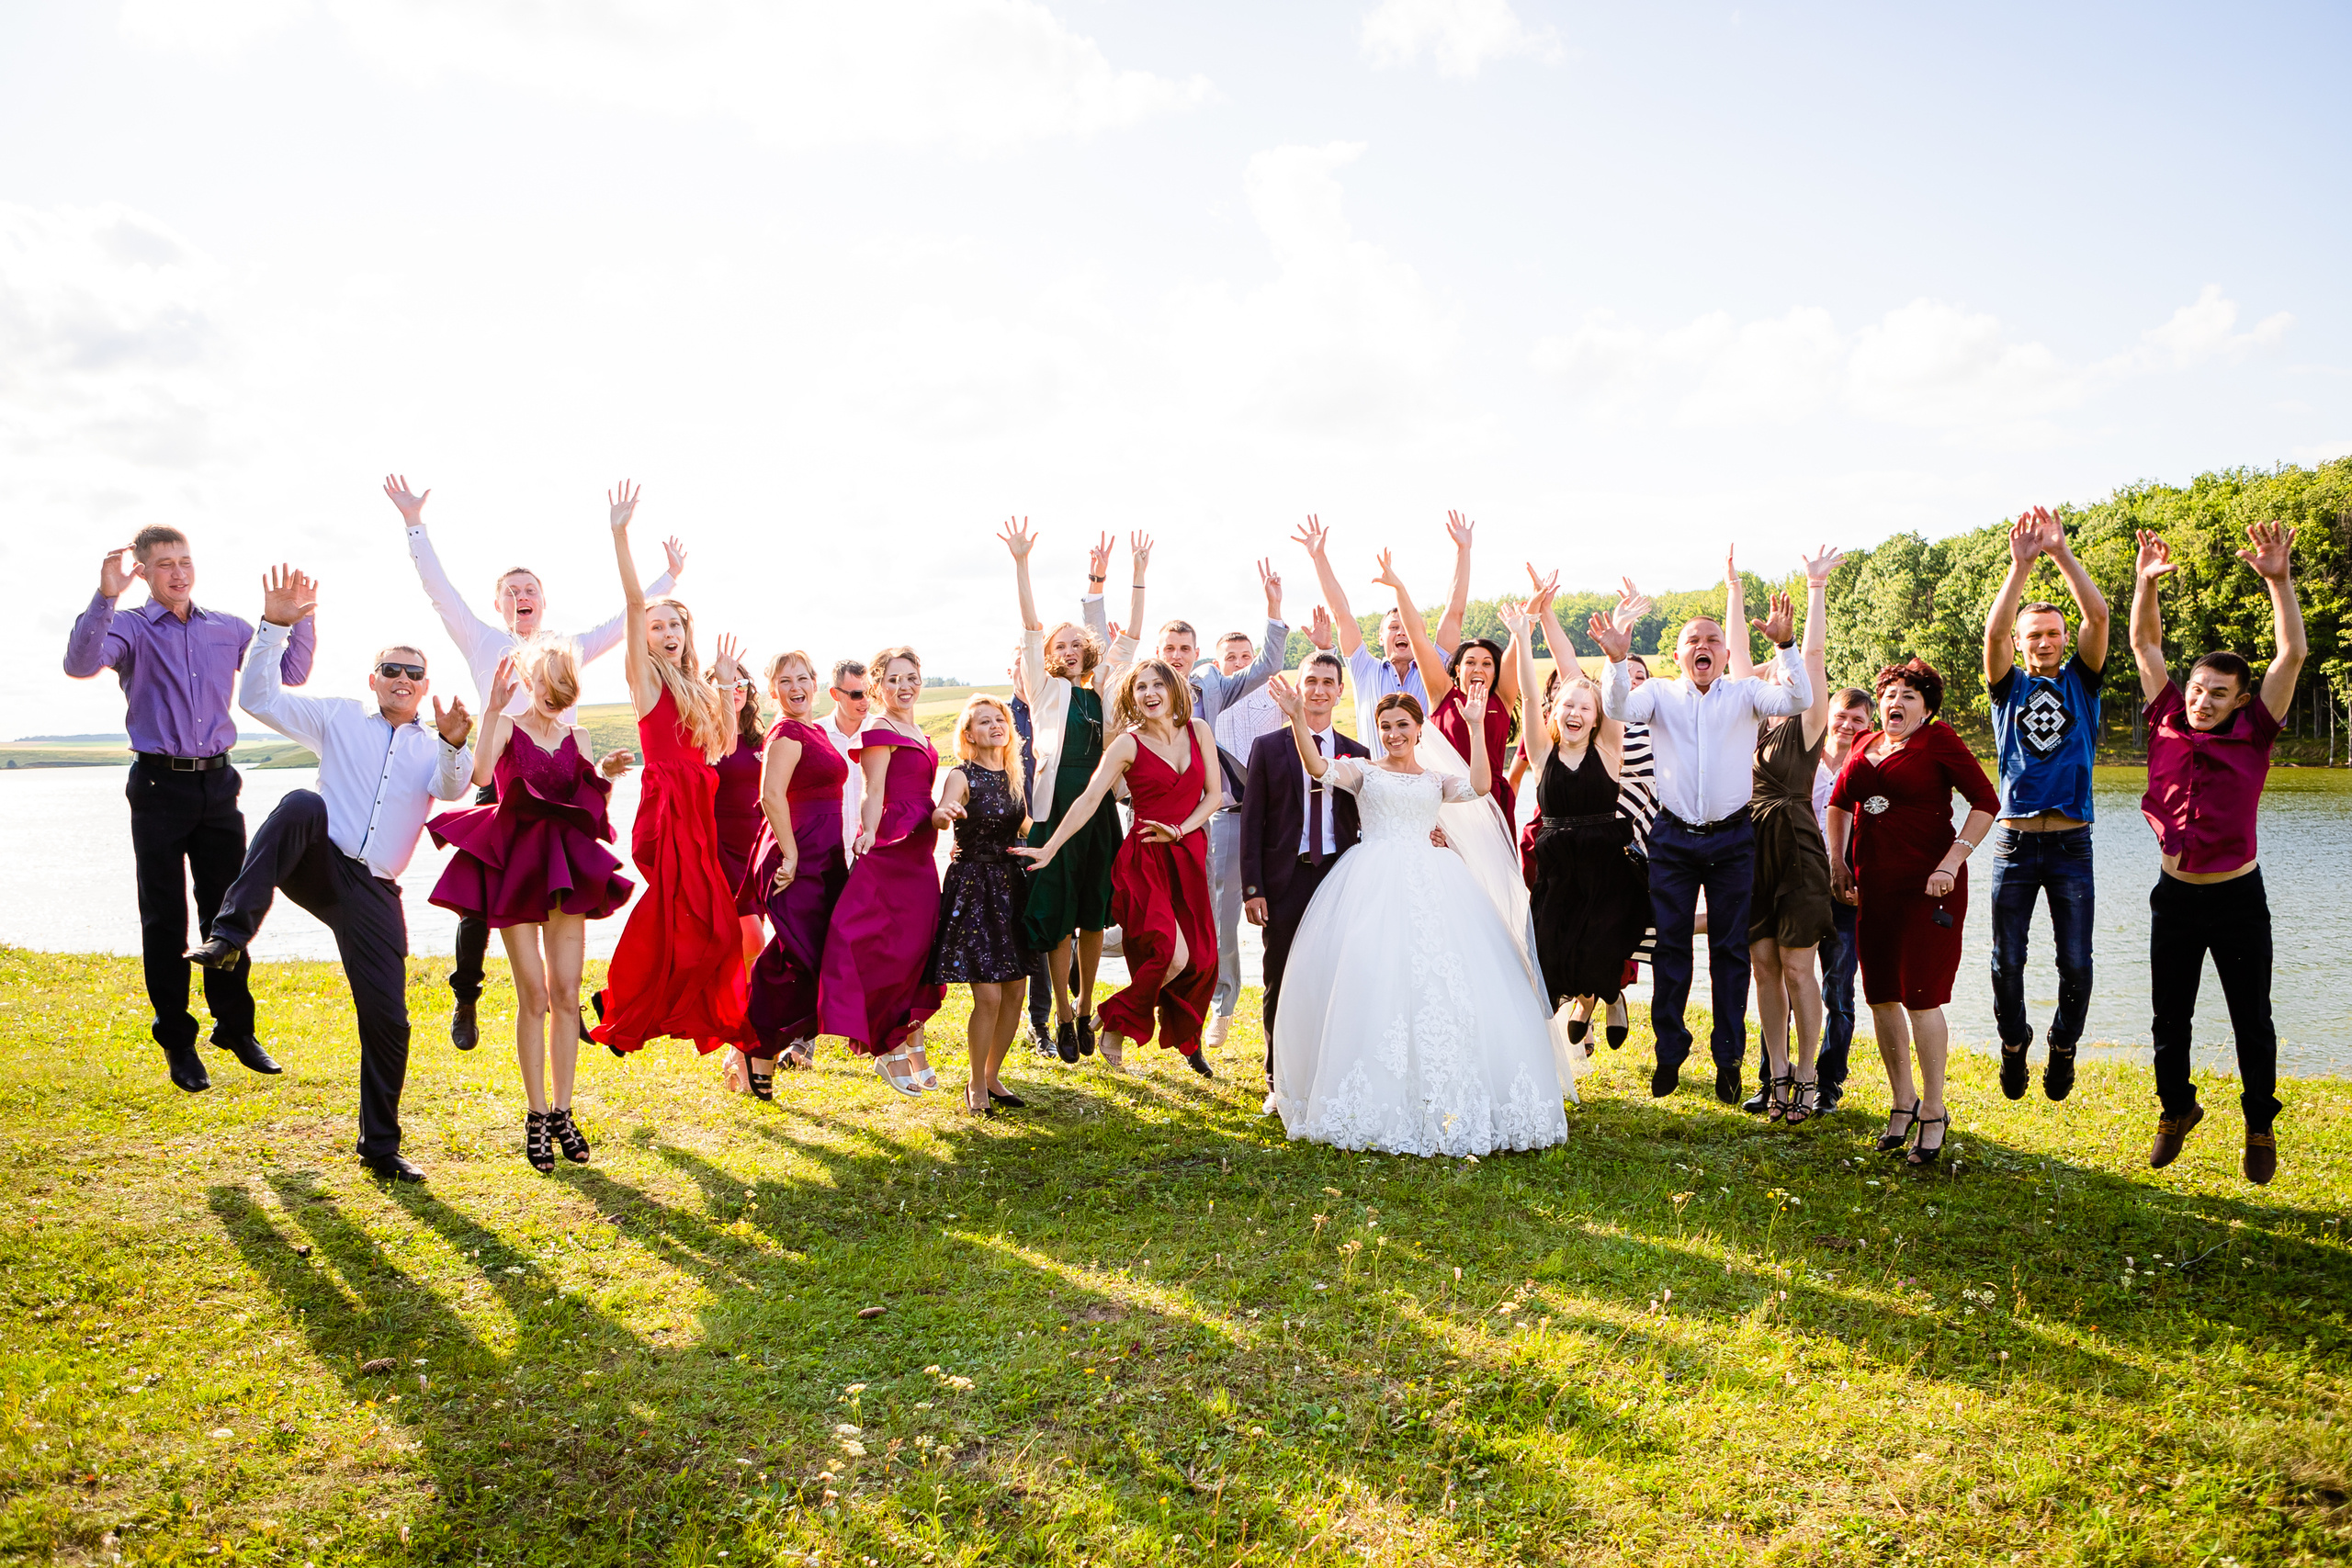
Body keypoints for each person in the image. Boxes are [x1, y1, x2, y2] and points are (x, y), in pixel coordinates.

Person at [185, 569, 472, 1182]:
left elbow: (452, 787)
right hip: (318, 860)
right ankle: (229, 937)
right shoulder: (340, 716)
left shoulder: (436, 743)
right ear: (373, 680)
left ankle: (380, 1146)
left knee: (390, 1020)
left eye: (413, 672)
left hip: (372, 890)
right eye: (391, 669)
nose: (401, 678)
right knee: (300, 803)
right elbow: (259, 699)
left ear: (425, 687)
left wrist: (453, 743)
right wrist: (276, 627)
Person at [382, 475, 683, 1052]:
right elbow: (438, 589)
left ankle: (565, 1005)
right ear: (499, 603)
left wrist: (668, 578)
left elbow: (624, 623)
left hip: (562, 790)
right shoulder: (480, 640)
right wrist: (413, 524)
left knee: (567, 895)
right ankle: (466, 995)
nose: (522, 596)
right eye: (512, 590)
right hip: (499, 782)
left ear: (543, 601)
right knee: (477, 902)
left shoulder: (566, 648)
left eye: (531, 589)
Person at [1263, 682, 1574, 1156]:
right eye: (1385, 727)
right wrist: (1296, 718)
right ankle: (1382, 1095)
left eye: (1401, 726)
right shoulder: (1364, 771)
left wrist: (1473, 727)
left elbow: (1481, 786)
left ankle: (1450, 1094)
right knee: (1378, 978)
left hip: (1436, 881)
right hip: (1374, 881)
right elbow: (1318, 767)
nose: (1392, 735)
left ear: (1418, 729)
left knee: (1445, 981)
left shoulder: (1434, 780)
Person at [64, 529, 316, 1093]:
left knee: (227, 911)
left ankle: (234, 1026)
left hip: (218, 783)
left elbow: (288, 675)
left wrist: (295, 621)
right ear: (144, 573)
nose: (178, 573)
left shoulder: (226, 628)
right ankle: (178, 1042)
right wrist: (104, 598)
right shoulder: (126, 625)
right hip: (157, 785)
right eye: (164, 565)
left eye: (184, 561)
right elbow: (80, 664)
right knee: (164, 917)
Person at [2130, 523, 2305, 1185]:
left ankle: (2259, 1122)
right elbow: (2146, 642)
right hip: (2174, 895)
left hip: (2236, 897)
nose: (2203, 699)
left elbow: (2289, 656)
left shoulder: (2255, 733)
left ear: (2238, 701)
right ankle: (2177, 1109)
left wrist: (2277, 581)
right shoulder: (2166, 715)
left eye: (2218, 693)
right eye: (2199, 686)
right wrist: (2146, 582)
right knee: (2168, 1017)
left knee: (2250, 1019)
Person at [1597, 579, 1812, 1100]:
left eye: (1714, 641)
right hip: (1671, 836)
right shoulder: (1659, 694)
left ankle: (1729, 1059)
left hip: (1733, 837)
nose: (1704, 647)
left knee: (1730, 953)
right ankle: (1670, 1055)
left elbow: (1799, 697)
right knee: (1671, 949)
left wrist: (1786, 647)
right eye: (1694, 640)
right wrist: (1617, 661)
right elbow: (1618, 707)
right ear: (1678, 653)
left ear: (1727, 653)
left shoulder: (1746, 694)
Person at [425, 641, 632, 1170]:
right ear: (528, 678)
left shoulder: (577, 736)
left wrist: (604, 776)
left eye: (560, 688)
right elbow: (476, 779)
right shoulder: (507, 726)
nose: (550, 696)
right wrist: (493, 707)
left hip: (564, 868)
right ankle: (536, 1116)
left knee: (566, 994)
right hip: (516, 866)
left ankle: (564, 1112)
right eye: (543, 683)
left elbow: (587, 807)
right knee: (534, 996)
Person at [586, 482, 753, 1057]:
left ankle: (632, 1004)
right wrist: (619, 533)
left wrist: (728, 683)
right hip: (667, 804)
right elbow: (634, 606)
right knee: (687, 914)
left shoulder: (699, 687)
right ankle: (625, 1003)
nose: (666, 634)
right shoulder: (647, 678)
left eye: (674, 627)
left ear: (688, 634)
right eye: (658, 627)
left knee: (712, 925)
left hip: (698, 803)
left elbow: (722, 749)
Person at [1825, 658, 1999, 1168]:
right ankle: (1902, 1102)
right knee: (1880, 998)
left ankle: (1935, 1109)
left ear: (1926, 708)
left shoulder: (1938, 741)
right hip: (1872, 890)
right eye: (1890, 693)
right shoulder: (1863, 745)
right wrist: (1838, 862)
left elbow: (1985, 802)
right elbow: (1838, 804)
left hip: (1930, 890)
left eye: (1909, 696)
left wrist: (1952, 862)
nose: (1895, 702)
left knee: (1921, 998)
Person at [1015, 660, 1221, 1073]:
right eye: (1140, 687)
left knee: (1203, 960)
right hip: (1144, 860)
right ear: (1132, 697)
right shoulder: (1127, 744)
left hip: (1188, 854)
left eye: (1157, 685)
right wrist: (1052, 846)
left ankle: (1105, 1017)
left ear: (1174, 688)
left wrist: (1180, 831)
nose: (1149, 694)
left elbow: (1213, 796)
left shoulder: (1199, 731)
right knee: (1172, 956)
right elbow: (1090, 799)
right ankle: (1113, 1019)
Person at [1982, 505, 2111, 1103]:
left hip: (2069, 845)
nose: (2044, 641)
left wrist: (2059, 554)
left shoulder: (2081, 681)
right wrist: (2019, 566)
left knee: (2077, 964)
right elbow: (1992, 633)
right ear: (2021, 642)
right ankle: (2014, 1043)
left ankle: (2063, 1046)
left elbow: (2099, 614)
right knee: (2006, 964)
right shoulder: (2007, 685)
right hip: (2012, 844)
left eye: (2053, 633)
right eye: (2033, 634)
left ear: (2064, 640)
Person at [1005, 520, 1144, 1063]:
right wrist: (1022, 562)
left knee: (1092, 913)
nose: (1063, 648)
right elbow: (1031, 624)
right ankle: (1062, 1013)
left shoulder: (1105, 687)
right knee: (1059, 918)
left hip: (1099, 812)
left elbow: (1131, 635)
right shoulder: (1043, 690)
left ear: (1086, 649)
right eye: (1056, 645)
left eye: (1072, 643)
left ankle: (1086, 1009)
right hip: (1052, 811)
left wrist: (1137, 574)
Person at [1725, 547, 1846, 1122]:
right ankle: (1773, 1074)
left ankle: (1805, 1076)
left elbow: (1813, 657)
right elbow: (1737, 660)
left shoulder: (1809, 721)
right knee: (1764, 967)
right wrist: (1733, 590)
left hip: (1796, 847)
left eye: (1783, 673)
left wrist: (1814, 588)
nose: (1772, 677)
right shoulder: (1743, 720)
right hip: (1748, 848)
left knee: (1800, 968)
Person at [1505, 601, 1649, 1069]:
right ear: (1556, 711)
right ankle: (1552, 1037)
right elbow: (1528, 694)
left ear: (1595, 718)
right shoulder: (1543, 753)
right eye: (1568, 704)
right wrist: (1523, 637)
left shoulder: (1608, 749)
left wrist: (1617, 653)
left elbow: (1617, 698)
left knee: (1600, 947)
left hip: (1604, 866)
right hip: (1557, 869)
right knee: (1551, 955)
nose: (1575, 712)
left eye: (1585, 708)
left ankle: (1608, 997)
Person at [1157, 564, 1289, 1049]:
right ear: (1158, 653)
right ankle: (1159, 990)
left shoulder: (1214, 687)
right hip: (1153, 816)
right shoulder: (1140, 690)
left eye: (1183, 649)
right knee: (1157, 912)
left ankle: (1221, 1003)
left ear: (1195, 656)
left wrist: (1274, 611)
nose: (1175, 657)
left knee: (1220, 913)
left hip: (1217, 816)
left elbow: (1268, 668)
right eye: (1168, 649)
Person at [1238, 649, 1372, 1089]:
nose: (1318, 690)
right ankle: (1278, 1076)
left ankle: (1328, 1069)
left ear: (1339, 693)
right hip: (1285, 877)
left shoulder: (1357, 753)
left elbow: (1372, 817)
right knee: (1281, 973)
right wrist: (1252, 887)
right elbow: (1252, 821)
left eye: (1327, 683)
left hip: (1339, 874)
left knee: (1335, 973)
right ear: (1299, 687)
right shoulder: (1269, 748)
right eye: (1310, 680)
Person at [818, 646, 947, 1092]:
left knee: (917, 951)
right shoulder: (878, 727)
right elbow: (873, 791)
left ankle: (914, 1045)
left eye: (910, 677)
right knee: (890, 951)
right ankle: (887, 1049)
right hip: (893, 845)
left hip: (921, 849)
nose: (903, 686)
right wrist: (868, 833)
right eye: (892, 679)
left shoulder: (916, 727)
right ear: (877, 686)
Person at [740, 650, 850, 1093]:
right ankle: (757, 1047)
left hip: (824, 856)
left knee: (812, 957)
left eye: (803, 678)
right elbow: (770, 795)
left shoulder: (814, 730)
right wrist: (789, 855)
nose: (796, 687)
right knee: (796, 957)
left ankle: (761, 1046)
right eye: (785, 681)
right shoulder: (785, 732)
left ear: (816, 683)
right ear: (773, 691)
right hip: (796, 854)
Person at [925, 694, 1033, 1114]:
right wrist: (945, 813)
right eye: (984, 722)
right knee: (987, 996)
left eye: (999, 719)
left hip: (1011, 885)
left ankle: (992, 1075)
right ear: (969, 734)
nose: (995, 726)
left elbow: (1028, 826)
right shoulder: (961, 774)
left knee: (1015, 991)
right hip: (973, 887)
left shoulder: (1013, 776)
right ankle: (975, 1084)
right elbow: (940, 814)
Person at [1294, 511, 1476, 738]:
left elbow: (1454, 613)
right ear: (1380, 637)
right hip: (1373, 773)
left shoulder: (1438, 666)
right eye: (1393, 627)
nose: (1402, 632)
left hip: (1429, 773)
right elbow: (1341, 612)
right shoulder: (1364, 668)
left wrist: (1463, 550)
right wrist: (1318, 556)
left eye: (1408, 627)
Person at [1811, 688, 1875, 1113]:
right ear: (1828, 716)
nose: (1848, 726)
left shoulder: (1872, 765)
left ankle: (1828, 1082)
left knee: (1840, 988)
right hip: (1800, 884)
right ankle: (1776, 1075)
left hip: (1848, 891)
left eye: (1858, 720)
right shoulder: (1803, 758)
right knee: (1787, 982)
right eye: (1841, 716)